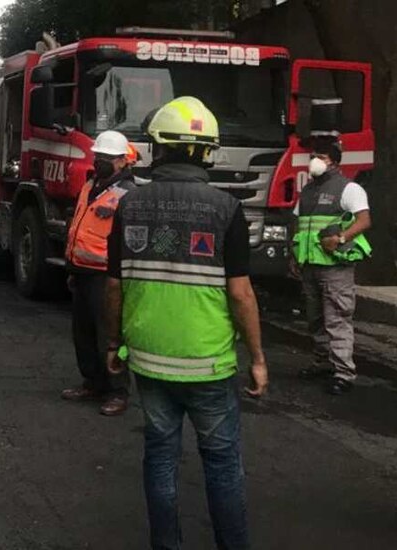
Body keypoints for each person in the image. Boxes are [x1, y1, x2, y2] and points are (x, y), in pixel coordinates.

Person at [105, 96, 268, 549]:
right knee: (221, 463)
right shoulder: (226, 209)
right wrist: (257, 357)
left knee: (160, 458)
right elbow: (240, 293)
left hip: (149, 359)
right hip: (209, 363)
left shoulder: (129, 206)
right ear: (208, 152)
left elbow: (115, 287)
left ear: (157, 147)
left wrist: (113, 343)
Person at [61, 131, 136, 417]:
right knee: (83, 333)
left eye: (106, 157)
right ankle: (92, 382)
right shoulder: (90, 185)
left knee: (109, 334)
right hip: (81, 270)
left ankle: (117, 390)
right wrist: (71, 268)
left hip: (107, 274)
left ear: (121, 161)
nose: (100, 161)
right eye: (98, 156)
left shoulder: (128, 193)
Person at [290, 137, 372, 395]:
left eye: (321, 157)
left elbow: (364, 220)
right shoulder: (308, 191)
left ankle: (343, 372)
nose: (315, 161)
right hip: (310, 266)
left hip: (335, 267)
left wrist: (340, 239)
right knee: (315, 319)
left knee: (337, 317)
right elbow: (299, 226)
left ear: (334, 162)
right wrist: (294, 258)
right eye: (313, 155)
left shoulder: (349, 189)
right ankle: (323, 362)